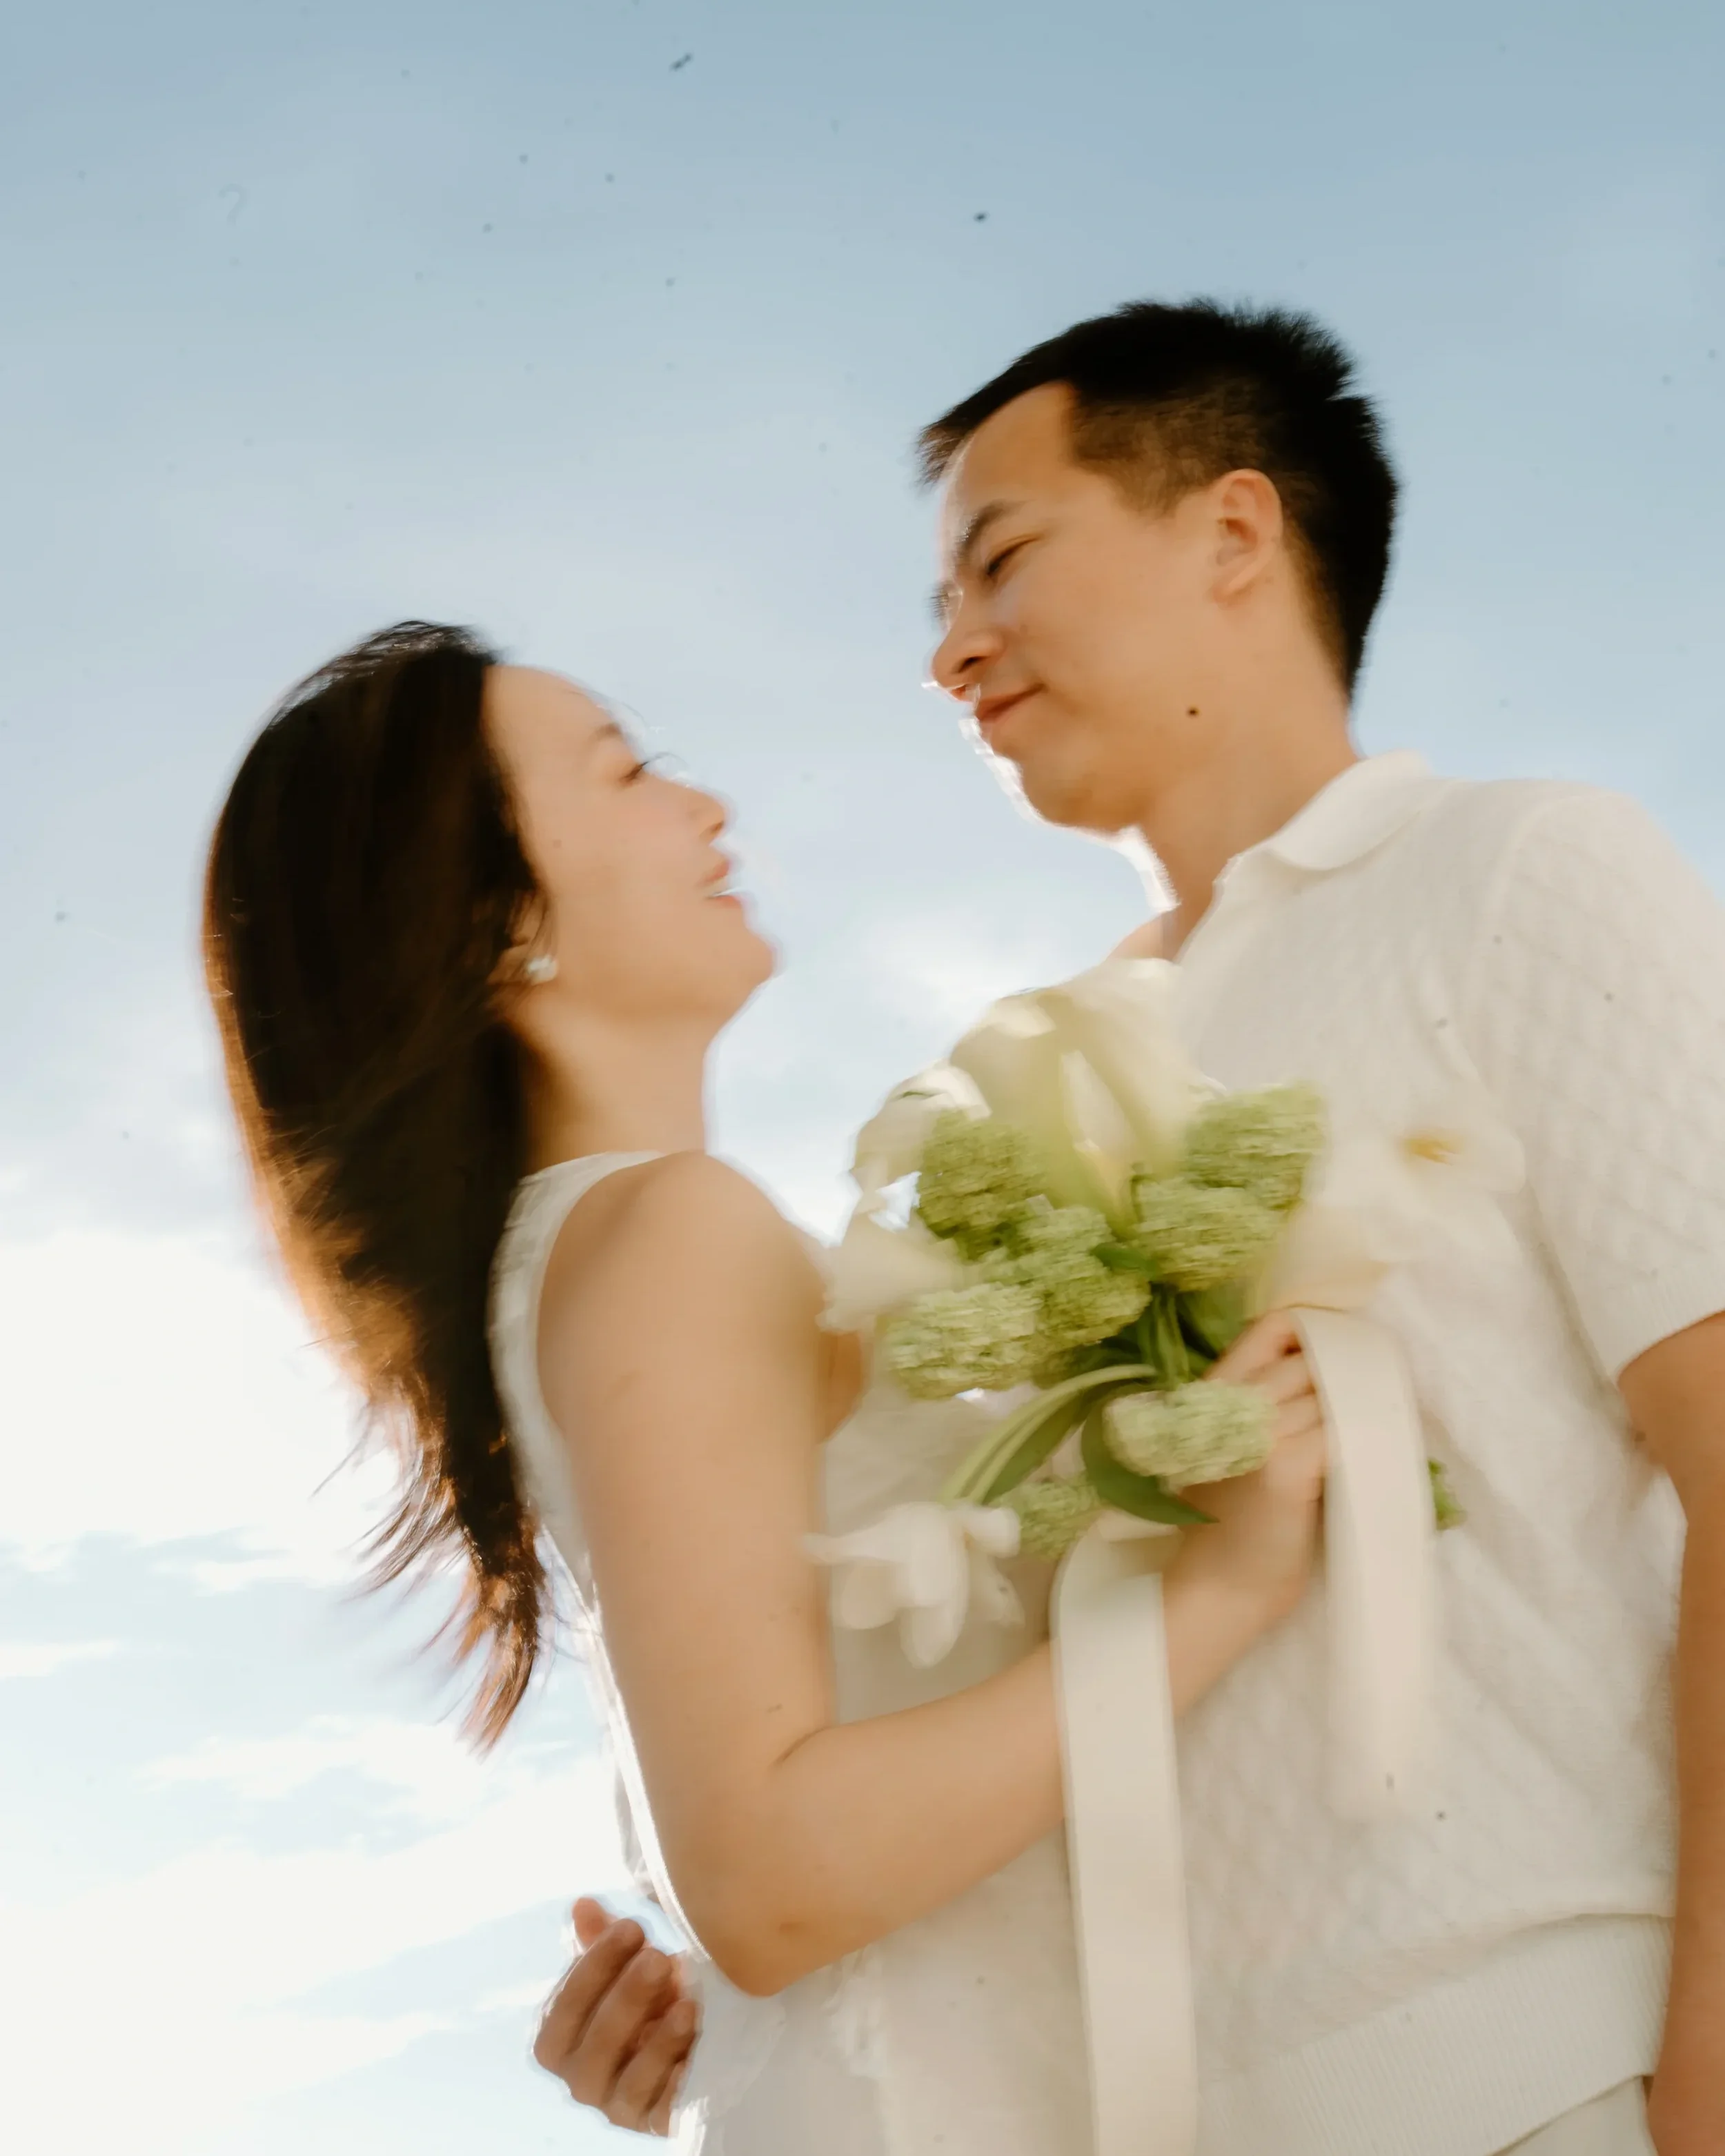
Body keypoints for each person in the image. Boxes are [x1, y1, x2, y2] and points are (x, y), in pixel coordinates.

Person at [542, 301, 1725, 2156]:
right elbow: (959, 1653)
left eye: (999, 562)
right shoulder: (1030, 1075)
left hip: (1541, 2059)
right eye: (938, 606)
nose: (951, 650)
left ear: (1233, 533)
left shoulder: (1512, 870)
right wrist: (722, 1988)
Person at [201, 622, 1330, 2155]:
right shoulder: (664, 1230)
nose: (706, 807)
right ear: (492, 918)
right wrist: (1224, 1589)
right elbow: (768, 1875)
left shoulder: (602, 1257)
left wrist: (714, 2015)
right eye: (625, 771)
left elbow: (750, 1832)